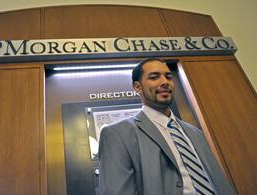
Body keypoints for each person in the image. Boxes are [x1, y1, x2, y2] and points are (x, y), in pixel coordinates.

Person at [98, 58, 236, 195]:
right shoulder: (117, 134)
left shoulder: (195, 133)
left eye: (168, 77)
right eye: (154, 77)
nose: (165, 82)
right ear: (137, 87)